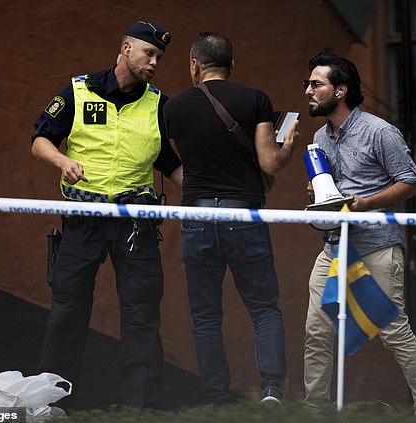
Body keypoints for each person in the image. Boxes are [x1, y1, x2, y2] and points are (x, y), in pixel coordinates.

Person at [30, 21, 183, 409]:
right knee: (67, 311)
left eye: (159, 58)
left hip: (135, 224)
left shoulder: (159, 104)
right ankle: (53, 405)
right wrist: (62, 161)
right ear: (125, 47)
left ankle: (141, 410)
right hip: (83, 220)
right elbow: (40, 140)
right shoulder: (79, 89)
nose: (154, 62)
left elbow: (169, 162)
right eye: (148, 53)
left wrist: (210, 194)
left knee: (142, 315)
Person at [302, 49, 416, 416]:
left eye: (316, 84)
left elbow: (411, 181)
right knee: (317, 330)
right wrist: (319, 193)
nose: (308, 91)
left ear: (340, 90)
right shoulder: (319, 136)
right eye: (308, 84)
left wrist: (367, 202)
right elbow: (332, 188)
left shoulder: (380, 131)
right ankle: (314, 411)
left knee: (394, 332)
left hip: (377, 244)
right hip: (334, 244)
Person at [163, 32, 298, 406]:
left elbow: (160, 155)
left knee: (206, 316)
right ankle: (271, 391)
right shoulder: (254, 99)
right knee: (264, 308)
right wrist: (287, 147)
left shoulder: (173, 107)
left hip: (198, 217)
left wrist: (190, 184)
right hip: (244, 216)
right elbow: (270, 162)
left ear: (194, 64)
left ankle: (216, 398)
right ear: (232, 66)